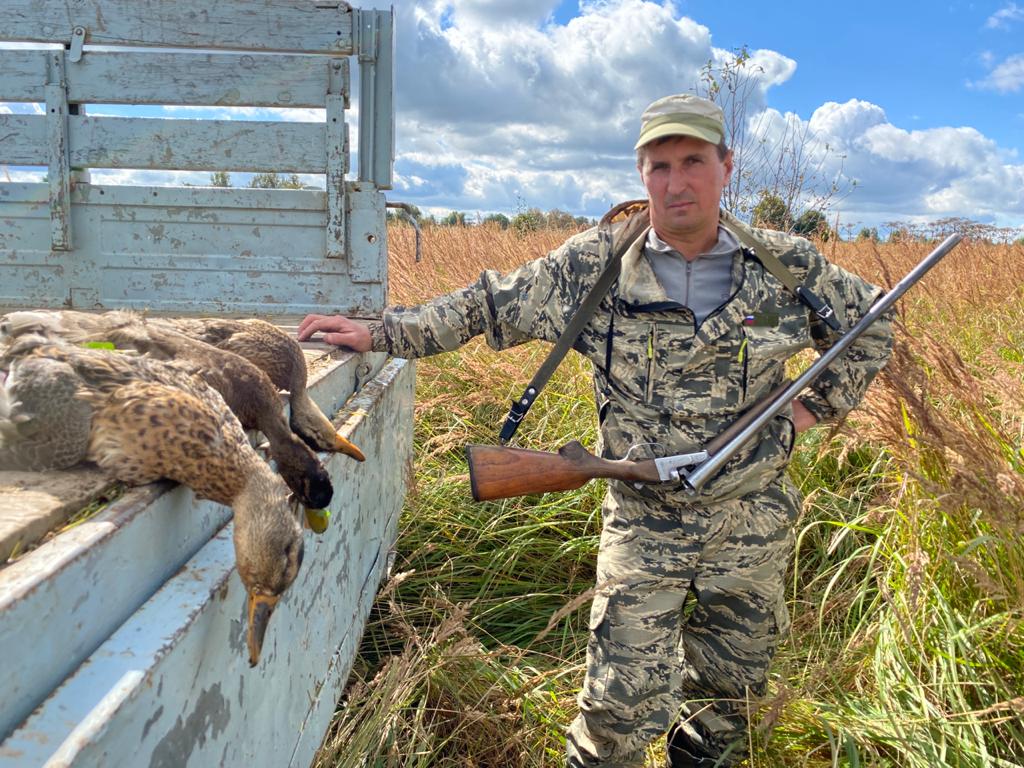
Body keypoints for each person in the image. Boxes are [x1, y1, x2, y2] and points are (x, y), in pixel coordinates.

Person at [298, 94, 893, 767]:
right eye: (659, 166)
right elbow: (487, 306)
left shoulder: (789, 268)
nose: (676, 182)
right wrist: (380, 333)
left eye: (693, 161)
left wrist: (809, 412)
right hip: (644, 522)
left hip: (752, 521)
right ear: (642, 175)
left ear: (726, 167)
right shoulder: (596, 266)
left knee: (732, 699)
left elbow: (874, 325)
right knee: (614, 710)